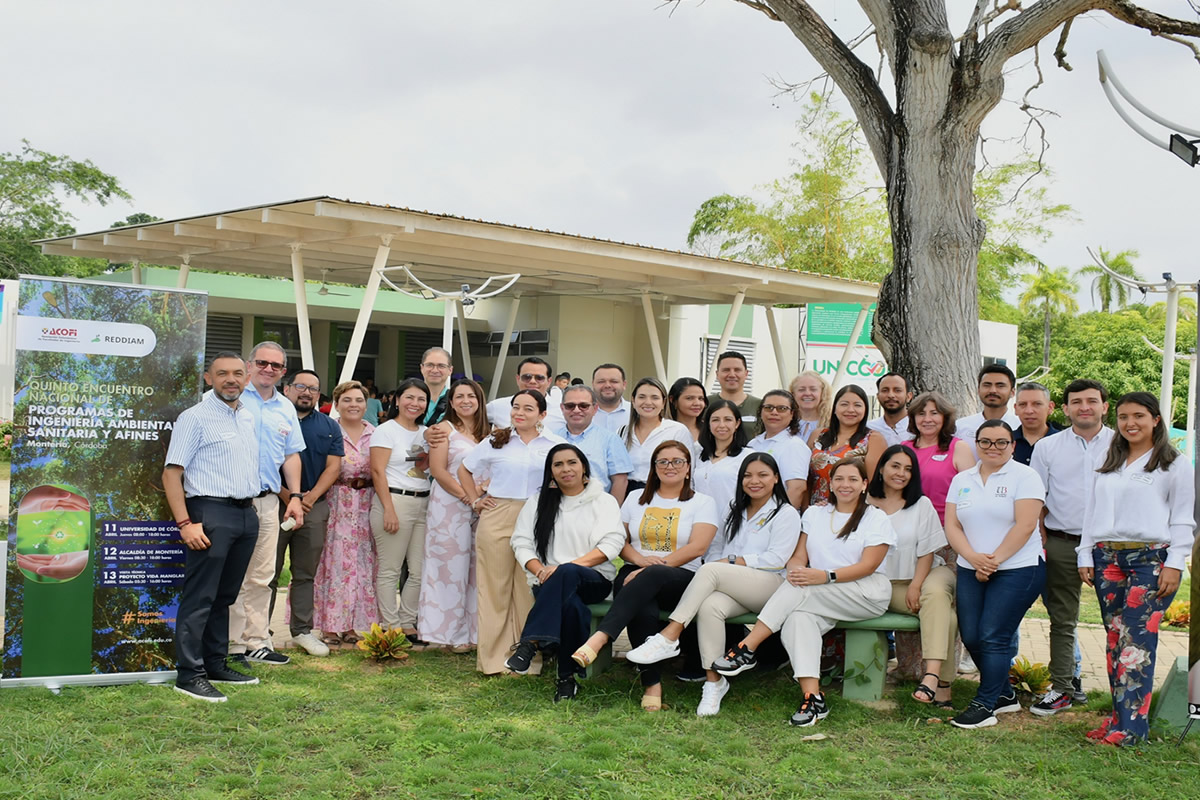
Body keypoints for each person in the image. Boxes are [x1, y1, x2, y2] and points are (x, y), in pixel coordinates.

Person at [709, 458, 895, 727]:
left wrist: (824, 576)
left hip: (865, 592)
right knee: (798, 620)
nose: (845, 485)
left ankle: (748, 646)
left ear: (864, 485)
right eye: (839, 479)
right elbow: (798, 556)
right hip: (820, 590)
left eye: (853, 479)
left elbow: (869, 565)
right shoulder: (815, 514)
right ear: (830, 483)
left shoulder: (875, 517)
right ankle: (813, 698)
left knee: (801, 592)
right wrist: (797, 570)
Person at [624, 454, 801, 717]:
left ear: (776, 478)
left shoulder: (785, 513)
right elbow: (716, 547)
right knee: (710, 606)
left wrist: (733, 561)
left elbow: (776, 559)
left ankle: (670, 634)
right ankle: (714, 682)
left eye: (763, 475)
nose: (754, 481)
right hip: (734, 584)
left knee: (710, 570)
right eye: (748, 476)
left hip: (771, 585)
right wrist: (727, 563)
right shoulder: (734, 510)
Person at [1079, 392, 1194, 746]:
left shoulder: (1174, 464)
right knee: (1115, 641)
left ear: (1155, 420)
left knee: (1137, 644)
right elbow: (1090, 510)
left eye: (1139, 416)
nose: (1131, 423)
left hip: (1151, 560)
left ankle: (1131, 730)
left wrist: (1175, 563)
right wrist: (1085, 554)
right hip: (1106, 557)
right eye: (1124, 416)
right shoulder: (1107, 458)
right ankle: (1118, 719)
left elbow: (1182, 520)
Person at [571, 441, 719, 711]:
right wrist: (640, 561)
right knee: (643, 607)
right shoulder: (635, 499)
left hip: (682, 577)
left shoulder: (703, 502)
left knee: (651, 577)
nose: (669, 466)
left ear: (688, 469)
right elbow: (620, 540)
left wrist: (649, 568)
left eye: (677, 461)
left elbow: (698, 547)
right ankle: (652, 684)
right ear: (654, 468)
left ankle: (601, 637)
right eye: (662, 461)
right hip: (636, 570)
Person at [163, 352, 262, 702]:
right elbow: (172, 473)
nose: (231, 379)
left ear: (247, 378)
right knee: (201, 596)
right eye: (222, 374)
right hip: (209, 512)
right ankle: (189, 674)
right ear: (209, 378)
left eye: (238, 373)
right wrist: (185, 523)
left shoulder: (247, 417)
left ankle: (215, 663)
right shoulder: (195, 418)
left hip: (246, 514)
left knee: (225, 596)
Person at [944, 420, 1045, 730]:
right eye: (986, 441)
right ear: (976, 444)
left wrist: (993, 561)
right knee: (972, 635)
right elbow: (952, 525)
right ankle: (1003, 693)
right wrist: (974, 558)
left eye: (1001, 442)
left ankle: (985, 705)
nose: (993, 447)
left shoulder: (1025, 477)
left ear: (1012, 446)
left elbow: (1025, 525)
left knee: (993, 635)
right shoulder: (962, 479)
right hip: (970, 566)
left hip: (1018, 568)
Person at [506, 445, 626, 701]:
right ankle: (566, 680)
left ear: (583, 467)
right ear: (551, 472)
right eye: (558, 464)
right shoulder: (538, 502)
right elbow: (521, 542)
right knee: (572, 607)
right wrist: (538, 570)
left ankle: (530, 643)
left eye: (571, 462)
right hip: (547, 582)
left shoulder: (604, 501)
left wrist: (564, 568)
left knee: (569, 572)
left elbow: (611, 545)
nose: (565, 469)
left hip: (593, 579)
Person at [459, 389, 566, 674]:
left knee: (528, 589)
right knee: (494, 588)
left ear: (542, 414)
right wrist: (475, 500)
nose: (519, 413)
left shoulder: (556, 444)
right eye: (516, 407)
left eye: (528, 408)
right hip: (498, 515)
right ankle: (493, 660)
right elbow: (464, 469)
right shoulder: (496, 440)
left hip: (537, 516)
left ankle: (527, 660)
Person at [1027, 380, 1113, 715]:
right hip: (1062, 543)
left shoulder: (1123, 444)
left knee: (1117, 623)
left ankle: (1123, 694)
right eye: (1076, 402)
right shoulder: (1048, 448)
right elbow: (1037, 498)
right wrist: (1039, 533)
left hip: (1111, 546)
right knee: (1062, 620)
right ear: (1064, 409)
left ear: (1105, 406)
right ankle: (1063, 688)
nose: (1084, 407)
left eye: (1092, 401)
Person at [228, 342, 306, 668]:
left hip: (268, 503)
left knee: (262, 576)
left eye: (276, 366)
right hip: (228, 502)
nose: (268, 369)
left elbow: (291, 455)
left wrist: (297, 498)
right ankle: (231, 645)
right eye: (262, 362)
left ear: (283, 372)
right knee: (231, 576)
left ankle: (257, 642)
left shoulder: (285, 407)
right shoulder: (225, 398)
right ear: (249, 364)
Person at [867, 445, 957, 706]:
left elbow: (927, 552)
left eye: (908, 469)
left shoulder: (921, 504)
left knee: (936, 593)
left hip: (929, 574)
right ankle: (942, 685)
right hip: (888, 583)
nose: (901, 473)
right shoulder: (865, 505)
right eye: (895, 466)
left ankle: (929, 676)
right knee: (946, 616)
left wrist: (916, 585)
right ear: (881, 468)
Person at [270, 369, 343, 657]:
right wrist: (289, 496)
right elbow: (260, 460)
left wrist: (307, 498)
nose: (307, 392)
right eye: (301, 386)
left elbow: (334, 467)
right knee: (267, 572)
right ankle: (259, 632)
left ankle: (302, 631)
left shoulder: (328, 426)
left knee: (304, 573)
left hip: (314, 507)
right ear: (287, 389)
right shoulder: (272, 420)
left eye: (314, 388)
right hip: (274, 504)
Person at [419, 378, 491, 651]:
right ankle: (447, 634)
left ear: (479, 400)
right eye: (459, 396)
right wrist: (466, 496)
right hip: (450, 505)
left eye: (471, 396)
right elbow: (438, 470)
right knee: (448, 569)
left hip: (482, 507)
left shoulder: (490, 432)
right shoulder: (443, 430)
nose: (465, 401)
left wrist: (480, 495)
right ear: (450, 402)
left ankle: (474, 632)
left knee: (476, 570)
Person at [313, 381, 380, 648]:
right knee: (334, 564)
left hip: (366, 504)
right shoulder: (329, 431)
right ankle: (330, 626)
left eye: (359, 400)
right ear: (337, 404)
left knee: (362, 565)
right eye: (348, 400)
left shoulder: (376, 434)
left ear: (367, 404)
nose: (354, 405)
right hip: (335, 503)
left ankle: (354, 625)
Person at [369, 377, 431, 644]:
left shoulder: (427, 432)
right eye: (409, 397)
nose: (415, 403)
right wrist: (389, 509)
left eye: (421, 399)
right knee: (390, 569)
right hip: (394, 501)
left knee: (419, 570)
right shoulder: (385, 430)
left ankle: (408, 622)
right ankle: (390, 625)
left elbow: (425, 468)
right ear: (397, 399)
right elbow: (376, 471)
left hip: (424, 503)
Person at [692, 399, 753, 560]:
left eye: (728, 419)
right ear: (707, 423)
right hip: (698, 524)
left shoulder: (747, 457)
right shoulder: (697, 453)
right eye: (715, 420)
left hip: (731, 526)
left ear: (737, 423)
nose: (721, 425)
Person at [550, 384, 632, 504]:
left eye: (584, 406)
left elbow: (620, 481)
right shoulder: (552, 438)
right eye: (570, 406)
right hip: (558, 507)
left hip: (596, 509)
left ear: (594, 409)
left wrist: (612, 512)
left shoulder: (610, 439)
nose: (576, 410)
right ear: (562, 408)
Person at [903, 391, 975, 523]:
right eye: (921, 414)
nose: (927, 419)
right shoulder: (904, 448)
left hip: (946, 527)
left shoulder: (959, 448)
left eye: (934, 413)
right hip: (909, 525)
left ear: (945, 417)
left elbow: (970, 494)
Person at [807, 385, 886, 504]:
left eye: (857, 405)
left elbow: (872, 485)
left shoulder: (873, 439)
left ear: (865, 410)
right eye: (844, 404)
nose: (850, 410)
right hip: (816, 511)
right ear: (834, 408)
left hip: (852, 511)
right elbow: (805, 479)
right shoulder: (818, 435)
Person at [623, 377, 694, 492]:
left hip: (662, 491)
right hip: (627, 494)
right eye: (642, 397)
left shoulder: (677, 430)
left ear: (663, 402)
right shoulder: (622, 432)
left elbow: (689, 470)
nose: (648, 402)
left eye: (655, 398)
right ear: (633, 401)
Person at [748, 389, 811, 508]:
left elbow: (797, 489)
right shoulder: (753, 444)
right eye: (768, 407)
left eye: (782, 408)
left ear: (792, 414)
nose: (774, 412)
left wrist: (778, 519)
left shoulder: (794, 445)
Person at [955, 364, 1020, 457]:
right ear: (978, 390)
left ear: (1012, 392)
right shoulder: (960, 427)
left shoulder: (1020, 427)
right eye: (987, 385)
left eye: (1000, 386)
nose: (993, 390)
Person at [486, 357, 561, 429]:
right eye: (527, 377)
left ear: (549, 382)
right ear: (518, 379)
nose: (532, 381)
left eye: (539, 378)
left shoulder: (561, 411)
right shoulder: (496, 407)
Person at [708, 351, 762, 435]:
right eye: (726, 370)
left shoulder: (760, 406)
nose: (732, 375)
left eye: (737, 370)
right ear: (717, 374)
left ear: (746, 374)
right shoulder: (705, 404)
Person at [1012, 382, 1061, 466]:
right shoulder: (1004, 442)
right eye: (1023, 404)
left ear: (1050, 407)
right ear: (1016, 408)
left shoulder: (1062, 443)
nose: (1029, 411)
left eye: (1037, 404)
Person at [867, 372, 915, 446]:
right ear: (878, 396)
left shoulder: (919, 427)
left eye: (897, 390)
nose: (891, 395)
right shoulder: (868, 428)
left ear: (909, 396)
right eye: (885, 390)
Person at [790, 371, 832, 444]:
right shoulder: (784, 422)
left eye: (813, 389)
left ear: (822, 393)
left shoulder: (832, 424)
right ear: (793, 394)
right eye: (801, 389)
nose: (807, 393)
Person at [592, 363, 631, 434]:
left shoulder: (636, 412)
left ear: (624, 385)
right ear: (593, 384)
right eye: (601, 381)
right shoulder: (579, 413)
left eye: (614, 381)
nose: (607, 385)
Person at [420, 347, 454, 426]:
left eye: (441, 366)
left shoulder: (455, 401)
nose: (435, 370)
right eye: (430, 365)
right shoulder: (408, 399)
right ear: (422, 368)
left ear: (450, 370)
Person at [668, 376, 708, 443]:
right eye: (689, 398)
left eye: (701, 398)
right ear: (673, 400)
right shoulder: (664, 430)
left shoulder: (709, 430)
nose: (697, 403)